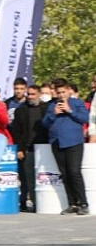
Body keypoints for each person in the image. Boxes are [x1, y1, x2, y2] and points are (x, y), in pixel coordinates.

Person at [42, 78, 90, 215]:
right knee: (65, 174)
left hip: (74, 142)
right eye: (58, 92)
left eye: (63, 92)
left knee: (74, 172)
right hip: (57, 142)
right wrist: (54, 114)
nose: (61, 95)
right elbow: (45, 123)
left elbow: (84, 119)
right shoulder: (52, 106)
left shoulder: (77, 103)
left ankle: (83, 203)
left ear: (69, 90)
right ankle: (72, 203)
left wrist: (70, 111)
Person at [12, 84, 49, 212]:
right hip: (28, 148)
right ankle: (35, 202)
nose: (30, 97)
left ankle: (46, 202)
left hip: (45, 148)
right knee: (29, 177)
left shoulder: (47, 108)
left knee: (45, 176)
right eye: (29, 94)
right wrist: (20, 149)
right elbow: (17, 132)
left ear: (39, 94)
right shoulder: (21, 110)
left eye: (33, 94)